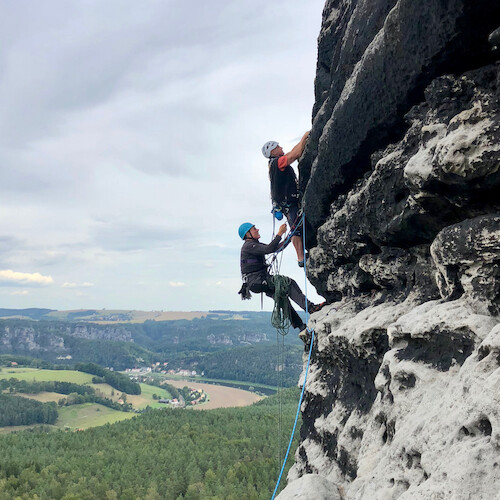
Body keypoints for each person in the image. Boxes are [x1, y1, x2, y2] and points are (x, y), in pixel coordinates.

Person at [238, 221, 324, 334]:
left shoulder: (252, 246)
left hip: (256, 282)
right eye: (254, 229)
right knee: (288, 283)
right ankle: (310, 308)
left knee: (282, 298)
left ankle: (300, 326)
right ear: (248, 234)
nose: (257, 230)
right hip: (257, 280)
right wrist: (279, 233)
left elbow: (275, 248)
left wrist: (289, 236)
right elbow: (269, 249)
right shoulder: (249, 246)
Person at [262, 132, 309, 267]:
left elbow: (292, 152)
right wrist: (304, 137)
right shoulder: (278, 163)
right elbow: (295, 154)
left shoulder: (275, 163)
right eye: (277, 146)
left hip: (287, 202)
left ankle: (301, 256)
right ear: (273, 151)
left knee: (295, 226)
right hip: (288, 204)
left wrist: (303, 140)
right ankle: (301, 258)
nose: (280, 147)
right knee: (295, 228)